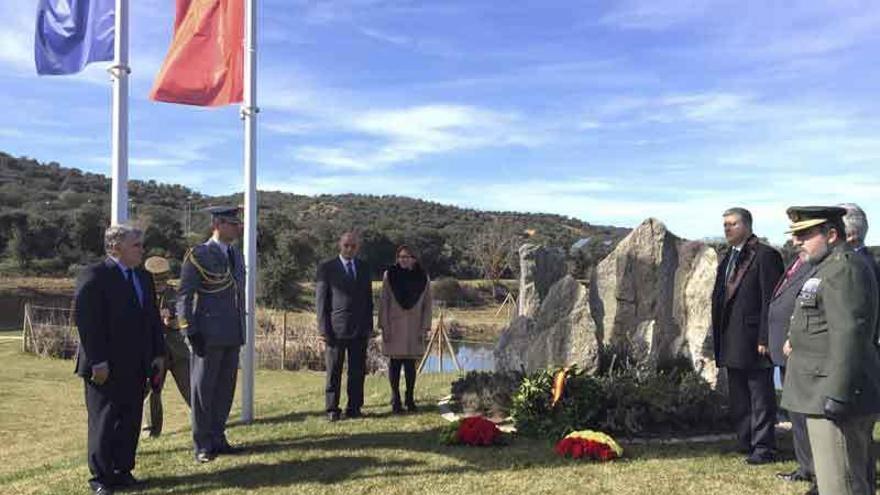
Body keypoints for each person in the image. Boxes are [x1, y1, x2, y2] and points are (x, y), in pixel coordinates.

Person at [781, 206, 880, 495]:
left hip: (834, 396)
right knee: (836, 481)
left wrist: (837, 394)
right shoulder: (828, 266)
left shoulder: (844, 268)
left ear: (832, 234)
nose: (796, 241)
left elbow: (849, 333)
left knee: (842, 485)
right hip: (822, 392)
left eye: (804, 234)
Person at [74, 225, 165, 494]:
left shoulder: (143, 277)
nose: (142, 249)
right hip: (105, 365)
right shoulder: (95, 275)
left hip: (137, 363)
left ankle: (123, 471)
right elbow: (87, 323)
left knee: (130, 418)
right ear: (116, 247)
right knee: (104, 421)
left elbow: (152, 319)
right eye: (136, 245)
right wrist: (98, 361)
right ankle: (101, 479)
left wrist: (158, 354)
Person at [711, 207, 784, 464]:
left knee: (761, 396)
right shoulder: (728, 257)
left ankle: (764, 448)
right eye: (725, 225)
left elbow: (771, 301)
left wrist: (766, 337)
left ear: (747, 226)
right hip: (731, 338)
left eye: (732, 224)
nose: (727, 229)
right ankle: (746, 441)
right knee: (740, 396)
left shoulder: (766, 256)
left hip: (755, 340)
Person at [177, 206, 245, 462]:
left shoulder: (236, 255)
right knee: (203, 391)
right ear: (217, 224)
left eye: (237, 223)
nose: (237, 227)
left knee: (225, 390)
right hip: (207, 333)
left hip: (232, 332)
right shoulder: (199, 254)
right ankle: (203, 444)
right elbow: (184, 295)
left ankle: (218, 437)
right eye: (231, 223)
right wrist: (189, 331)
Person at [768, 250, 816, 493]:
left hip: (801, 351)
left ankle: (816, 469)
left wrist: (793, 337)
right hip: (787, 352)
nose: (799, 241)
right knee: (796, 413)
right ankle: (805, 467)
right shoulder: (797, 263)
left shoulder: (816, 268)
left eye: (804, 234)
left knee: (806, 415)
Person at [316, 231, 374, 422]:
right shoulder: (327, 268)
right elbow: (321, 301)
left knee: (357, 372)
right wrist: (323, 329)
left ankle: (354, 407)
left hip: (359, 330)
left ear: (358, 247)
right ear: (340, 245)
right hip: (335, 329)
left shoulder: (364, 268)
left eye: (353, 246)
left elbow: (368, 299)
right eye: (346, 245)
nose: (349, 249)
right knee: (334, 372)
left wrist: (369, 326)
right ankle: (332, 409)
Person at [378, 245, 432, 413]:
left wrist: (425, 327)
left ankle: (409, 399)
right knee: (394, 363)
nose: (403, 259)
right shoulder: (389, 275)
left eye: (407, 256)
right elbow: (384, 302)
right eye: (400, 256)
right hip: (394, 326)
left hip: (414, 327)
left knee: (410, 365)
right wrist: (384, 325)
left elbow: (427, 304)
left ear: (413, 259)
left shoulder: (423, 277)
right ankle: (396, 399)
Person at [141, 256, 191, 438]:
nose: (159, 284)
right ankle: (151, 431)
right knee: (152, 391)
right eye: (156, 280)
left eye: (162, 280)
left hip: (178, 351)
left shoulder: (176, 294)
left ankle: (205, 422)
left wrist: (172, 322)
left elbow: (185, 319)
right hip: (154, 352)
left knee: (191, 388)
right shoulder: (141, 295)